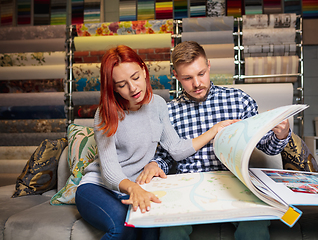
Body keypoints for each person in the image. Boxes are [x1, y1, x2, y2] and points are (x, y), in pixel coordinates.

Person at [74, 45, 237, 240]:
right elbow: (109, 171)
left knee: (151, 233)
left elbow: (176, 149)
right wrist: (134, 188)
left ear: (144, 70)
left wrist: (214, 131)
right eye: (122, 84)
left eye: (135, 77)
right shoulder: (105, 113)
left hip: (138, 190)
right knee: (123, 228)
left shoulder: (158, 104)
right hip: (99, 188)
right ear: (113, 88)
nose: (133, 88)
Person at [137, 41, 292, 240]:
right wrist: (155, 164)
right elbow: (167, 156)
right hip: (188, 187)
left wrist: (281, 133)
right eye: (187, 78)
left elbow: (266, 147)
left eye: (201, 73)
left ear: (209, 66)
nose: (197, 84)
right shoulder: (169, 111)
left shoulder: (238, 100)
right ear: (175, 76)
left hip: (235, 184)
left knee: (255, 226)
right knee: (171, 231)